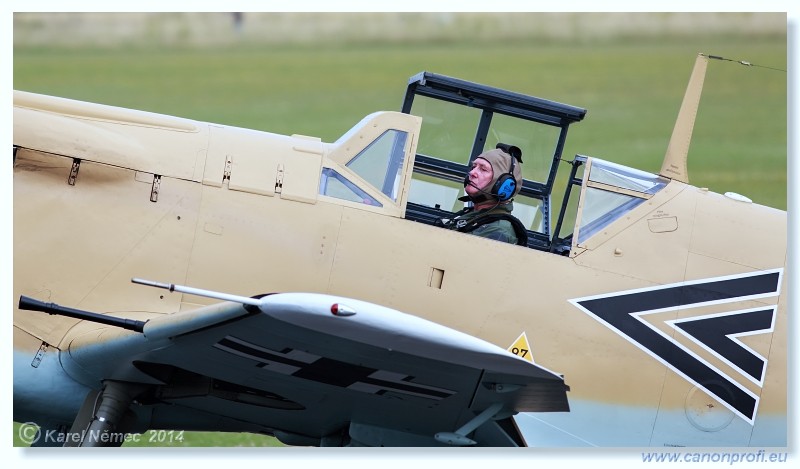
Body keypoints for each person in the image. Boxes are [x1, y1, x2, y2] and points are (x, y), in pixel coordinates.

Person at [439, 143, 528, 246]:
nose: (472, 173)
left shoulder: (498, 231)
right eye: (474, 167)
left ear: (503, 185)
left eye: (483, 169)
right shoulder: (474, 215)